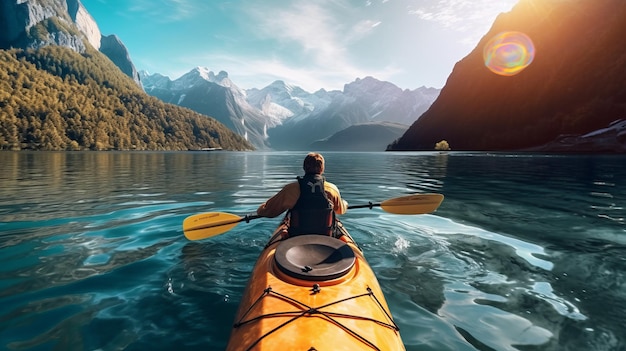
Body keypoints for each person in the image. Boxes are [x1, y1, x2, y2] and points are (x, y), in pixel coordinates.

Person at [256, 152, 348, 236]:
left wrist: (261, 208)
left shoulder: (290, 189)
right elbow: (340, 210)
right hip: (325, 237)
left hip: (297, 237)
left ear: (304, 168)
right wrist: (345, 204)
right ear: (322, 169)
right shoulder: (332, 189)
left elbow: (268, 212)